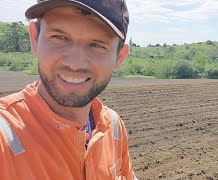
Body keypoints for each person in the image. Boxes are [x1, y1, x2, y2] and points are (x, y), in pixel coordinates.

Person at [0, 0, 138, 179]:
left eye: (97, 45)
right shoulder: (5, 136)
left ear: (120, 56)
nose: (75, 63)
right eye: (59, 37)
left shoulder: (113, 127)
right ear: (34, 38)